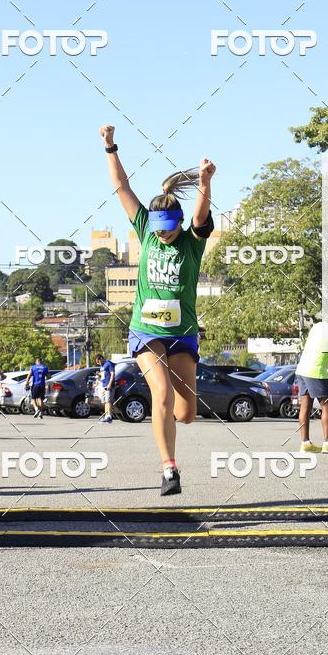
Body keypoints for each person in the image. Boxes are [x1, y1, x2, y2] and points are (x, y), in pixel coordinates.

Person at [100, 123, 215, 496]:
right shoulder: (146, 227)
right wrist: (110, 147)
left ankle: (172, 452)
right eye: (159, 229)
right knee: (161, 395)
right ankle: (169, 469)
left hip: (182, 332)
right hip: (146, 330)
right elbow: (122, 188)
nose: (163, 234)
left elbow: (201, 217)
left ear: (179, 223)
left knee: (186, 414)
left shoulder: (192, 242)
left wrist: (204, 181)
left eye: (169, 228)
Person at [295, 314, 328, 454]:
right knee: (327, 405)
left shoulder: (317, 327)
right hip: (316, 371)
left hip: (302, 369)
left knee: (305, 407)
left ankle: (305, 443)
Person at [96, 353, 116, 424]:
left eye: (98, 362)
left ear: (101, 358)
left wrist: (110, 384)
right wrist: (99, 375)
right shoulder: (102, 366)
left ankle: (109, 416)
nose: (98, 363)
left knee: (108, 400)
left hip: (108, 385)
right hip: (103, 385)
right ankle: (106, 415)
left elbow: (112, 374)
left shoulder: (109, 363)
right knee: (104, 401)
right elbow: (103, 375)